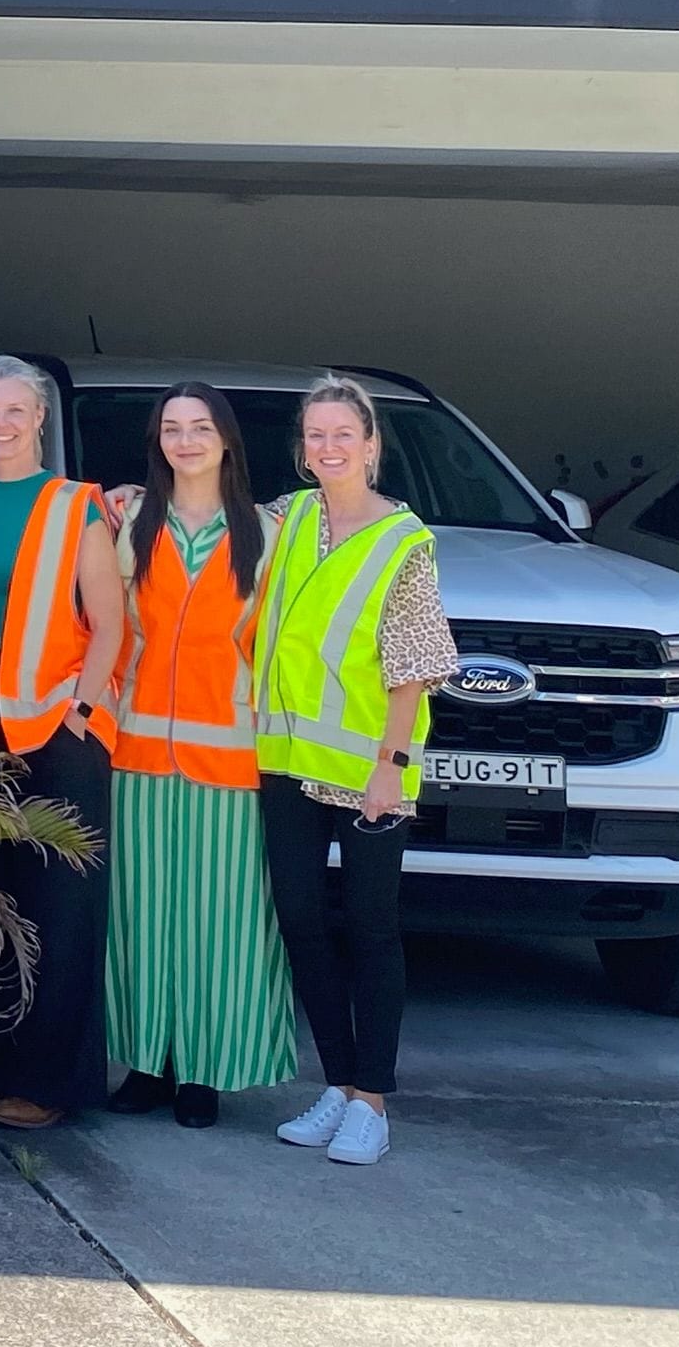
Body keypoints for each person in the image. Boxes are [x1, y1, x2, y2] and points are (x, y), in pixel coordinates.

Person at [0, 353, 126, 1130]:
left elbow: (108, 623)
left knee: (57, 901)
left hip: (55, 716)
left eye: (15, 410)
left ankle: (46, 1080)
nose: (0, 424)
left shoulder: (75, 505)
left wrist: (80, 708)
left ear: (40, 417)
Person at [256, 373, 453, 1168]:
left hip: (370, 768)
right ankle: (337, 1085)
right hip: (283, 760)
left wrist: (390, 767)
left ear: (371, 445)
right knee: (301, 922)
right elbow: (207, 523)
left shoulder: (403, 541)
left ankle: (373, 1099)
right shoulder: (290, 518)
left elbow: (413, 668)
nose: (329, 447)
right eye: (316, 435)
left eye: (345, 435)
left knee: (372, 930)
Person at [97, 385, 302, 1131]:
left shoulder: (269, 533)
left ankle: (205, 1073)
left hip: (231, 755)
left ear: (227, 441)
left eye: (201, 428)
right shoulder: (127, 523)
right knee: (143, 916)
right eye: (172, 429)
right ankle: (148, 1063)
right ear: (158, 442)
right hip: (139, 751)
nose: (186, 441)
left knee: (222, 920)